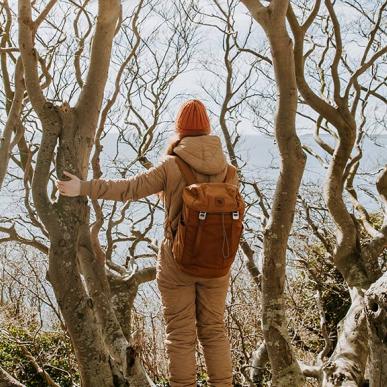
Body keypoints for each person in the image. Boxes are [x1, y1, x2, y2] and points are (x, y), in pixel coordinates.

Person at [57, 99, 236, 387]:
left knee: (180, 335)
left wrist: (84, 187)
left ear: (180, 130)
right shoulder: (228, 171)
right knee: (214, 331)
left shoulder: (172, 165)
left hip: (178, 261)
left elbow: (129, 189)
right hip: (218, 261)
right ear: (207, 128)